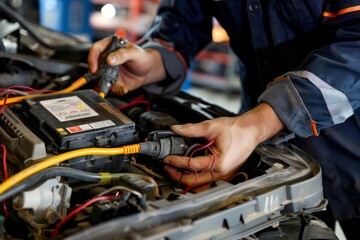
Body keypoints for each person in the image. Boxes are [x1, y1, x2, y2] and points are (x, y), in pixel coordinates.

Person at [88, 0, 360, 239]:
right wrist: (153, 59)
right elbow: (183, 21)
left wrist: (257, 124)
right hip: (263, 138)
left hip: (350, 143)